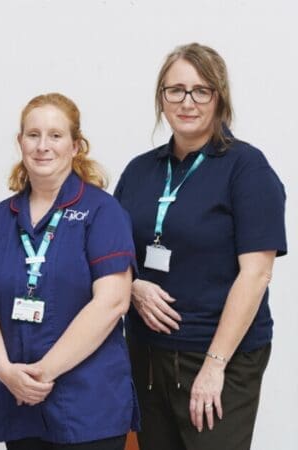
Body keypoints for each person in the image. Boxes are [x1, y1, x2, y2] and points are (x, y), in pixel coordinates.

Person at [114, 43, 287, 450]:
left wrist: (214, 365)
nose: (186, 101)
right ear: (161, 98)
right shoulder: (141, 170)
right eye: (175, 90)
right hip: (147, 355)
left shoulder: (247, 168)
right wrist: (134, 287)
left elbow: (257, 273)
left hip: (217, 357)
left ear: (219, 96)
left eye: (200, 90)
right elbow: (113, 254)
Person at [0, 93, 138, 450]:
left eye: (55, 135)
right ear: (20, 142)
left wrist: (41, 374)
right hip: (18, 400)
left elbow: (112, 302)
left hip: (88, 404)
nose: (43, 146)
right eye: (33, 135)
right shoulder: (0, 218)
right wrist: (6, 372)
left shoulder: (101, 211)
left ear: (76, 146)